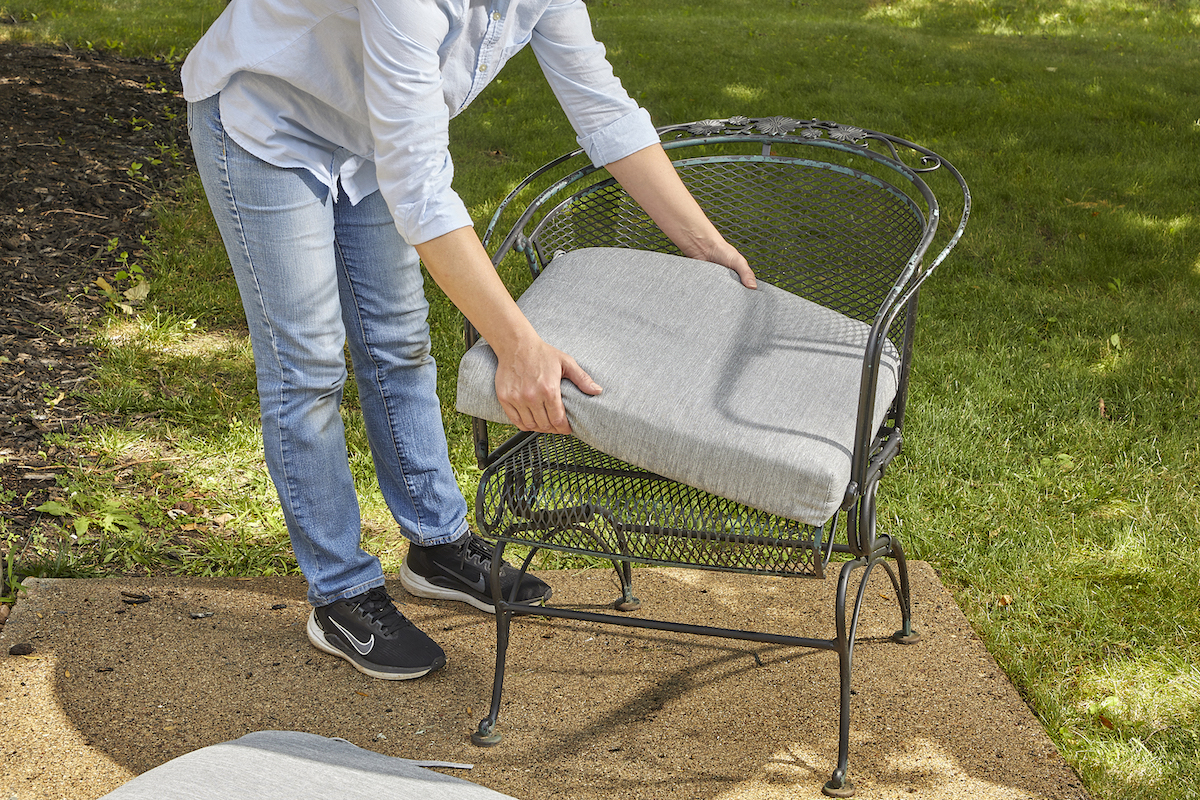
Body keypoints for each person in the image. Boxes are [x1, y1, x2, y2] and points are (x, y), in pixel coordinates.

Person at [181, 0, 755, 682]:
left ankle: (436, 544)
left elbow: (605, 112)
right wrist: (517, 344)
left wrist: (705, 244)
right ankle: (340, 592)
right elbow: (422, 189)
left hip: (372, 140)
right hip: (266, 123)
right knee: (306, 364)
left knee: (397, 344)